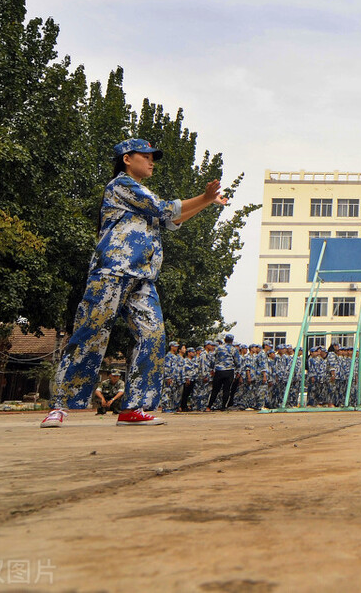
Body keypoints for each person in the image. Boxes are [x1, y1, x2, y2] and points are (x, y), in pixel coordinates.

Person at [40, 138, 226, 428]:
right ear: (127, 158)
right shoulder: (121, 186)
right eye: (146, 156)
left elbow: (172, 220)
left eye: (153, 157)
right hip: (112, 271)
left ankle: (133, 408)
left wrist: (205, 201)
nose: (151, 162)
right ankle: (60, 406)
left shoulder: (142, 194)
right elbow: (166, 210)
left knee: (153, 336)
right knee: (90, 333)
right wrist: (202, 197)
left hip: (142, 278)